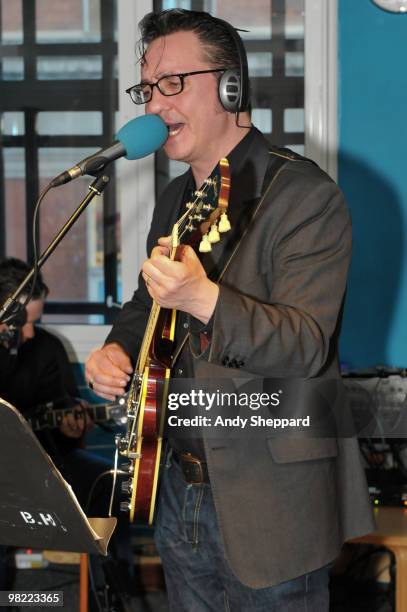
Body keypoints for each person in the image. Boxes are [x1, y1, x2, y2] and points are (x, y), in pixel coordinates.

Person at [85, 9, 374, 611]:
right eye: (147, 89)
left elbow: (305, 344)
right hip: (178, 492)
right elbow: (147, 301)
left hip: (272, 502)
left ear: (230, 86)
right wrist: (118, 346)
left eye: (173, 83)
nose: (155, 105)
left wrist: (202, 297)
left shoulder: (305, 196)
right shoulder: (177, 196)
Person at [0, 258, 132, 595]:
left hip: (50, 468)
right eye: (20, 325)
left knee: (113, 484)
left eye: (35, 321)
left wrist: (73, 428)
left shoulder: (48, 347)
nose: (30, 332)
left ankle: (111, 592)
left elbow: (67, 414)